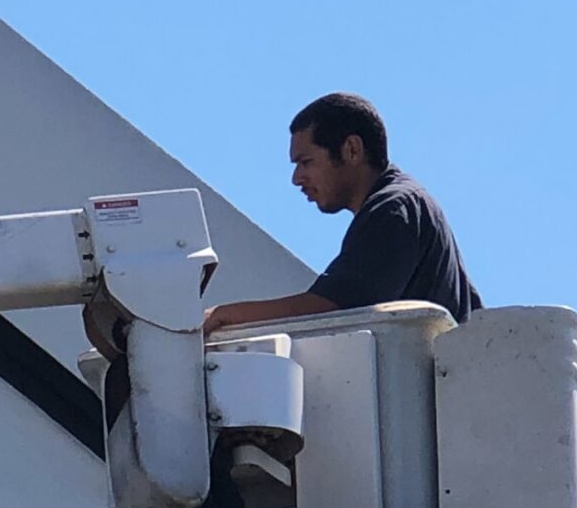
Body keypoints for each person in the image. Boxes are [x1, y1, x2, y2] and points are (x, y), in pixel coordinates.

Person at [204, 93, 480, 336]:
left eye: (306, 162)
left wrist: (226, 316)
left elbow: (332, 307)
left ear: (351, 150)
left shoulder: (395, 208)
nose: (296, 178)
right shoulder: (402, 204)